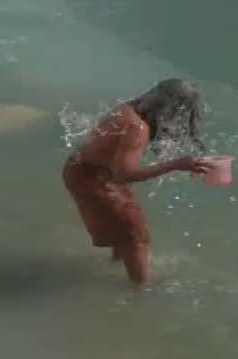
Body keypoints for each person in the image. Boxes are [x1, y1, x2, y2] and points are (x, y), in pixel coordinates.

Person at [62, 79, 211, 285]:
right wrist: (175, 164)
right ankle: (140, 292)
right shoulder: (136, 127)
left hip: (84, 169)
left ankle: (115, 268)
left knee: (125, 227)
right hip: (91, 178)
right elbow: (124, 175)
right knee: (136, 237)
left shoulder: (131, 107)